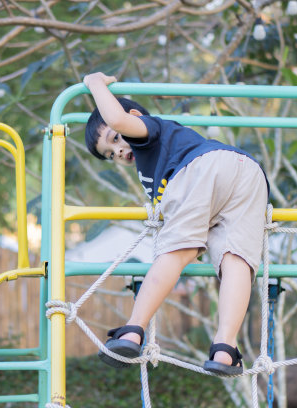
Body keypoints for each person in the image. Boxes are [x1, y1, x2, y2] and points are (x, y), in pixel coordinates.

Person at [83, 72, 269, 375]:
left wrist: (94, 83)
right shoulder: (154, 155)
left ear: (135, 117)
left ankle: (133, 330)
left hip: (200, 168)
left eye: (115, 139)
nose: (117, 151)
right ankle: (225, 347)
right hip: (246, 172)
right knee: (236, 261)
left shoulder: (148, 130)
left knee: (176, 252)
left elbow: (116, 119)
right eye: (109, 154)